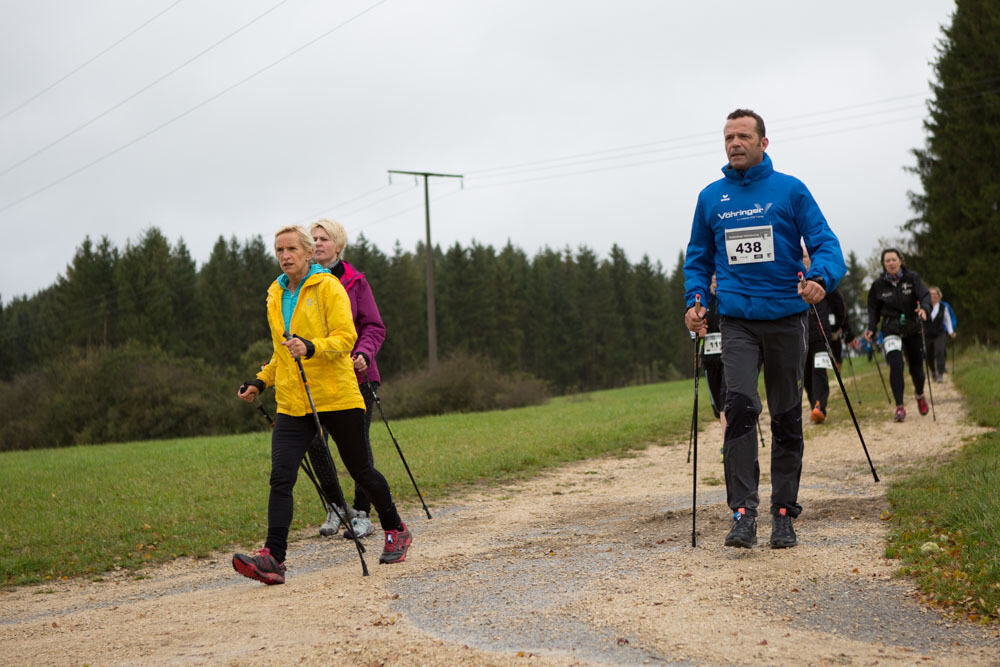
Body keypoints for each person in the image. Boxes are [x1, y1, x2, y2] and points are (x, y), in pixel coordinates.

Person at [684, 108, 846, 550]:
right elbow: (698, 258)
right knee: (739, 407)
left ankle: (783, 513)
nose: (734, 143)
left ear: (763, 143)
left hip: (785, 320)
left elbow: (827, 245)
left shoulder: (790, 191)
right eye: (728, 137)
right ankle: (742, 513)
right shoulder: (710, 198)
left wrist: (820, 280)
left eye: (742, 136)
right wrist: (695, 303)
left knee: (787, 412)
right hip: (736, 321)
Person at [234, 225, 411, 585]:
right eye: (279, 250)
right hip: (293, 401)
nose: (285, 256)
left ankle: (395, 528)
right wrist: (260, 381)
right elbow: (281, 351)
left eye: (291, 249)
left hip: (337, 395)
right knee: (281, 476)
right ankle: (273, 558)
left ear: (306, 252)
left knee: (361, 471)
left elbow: (346, 337)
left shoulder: (329, 286)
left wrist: (311, 347)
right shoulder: (274, 295)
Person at [311, 218, 386, 540]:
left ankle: (362, 514)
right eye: (312, 239)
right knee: (315, 443)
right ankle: (335, 506)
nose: (316, 244)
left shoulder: (356, 282)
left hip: (356, 376)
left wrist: (364, 354)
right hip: (315, 377)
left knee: (357, 448)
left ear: (338, 245)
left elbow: (373, 327)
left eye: (323, 239)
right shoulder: (301, 283)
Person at [864, 248, 932, 422]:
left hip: (912, 326)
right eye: (887, 261)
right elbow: (873, 309)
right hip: (891, 328)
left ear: (900, 261)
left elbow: (925, 295)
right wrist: (872, 327)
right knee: (896, 365)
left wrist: (924, 309)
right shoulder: (878, 285)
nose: (891, 263)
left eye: (894, 259)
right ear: (883, 264)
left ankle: (919, 394)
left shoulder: (912, 278)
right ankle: (900, 407)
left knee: (916, 368)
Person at [801, 250, 847, 425]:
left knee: (819, 370)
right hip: (800, 337)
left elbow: (839, 307)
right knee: (805, 374)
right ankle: (815, 404)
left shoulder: (821, 281)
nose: (804, 259)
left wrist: (835, 328)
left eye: (806, 256)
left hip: (821, 336)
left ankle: (820, 406)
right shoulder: (791, 280)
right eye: (801, 256)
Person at [926, 286, 956, 382]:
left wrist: (951, 332)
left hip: (940, 333)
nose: (933, 296)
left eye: (935, 294)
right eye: (931, 294)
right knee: (928, 354)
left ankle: (940, 373)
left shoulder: (944, 307)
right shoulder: (925, 307)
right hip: (927, 334)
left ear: (939, 296)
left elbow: (947, 320)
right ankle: (933, 371)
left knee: (940, 351)